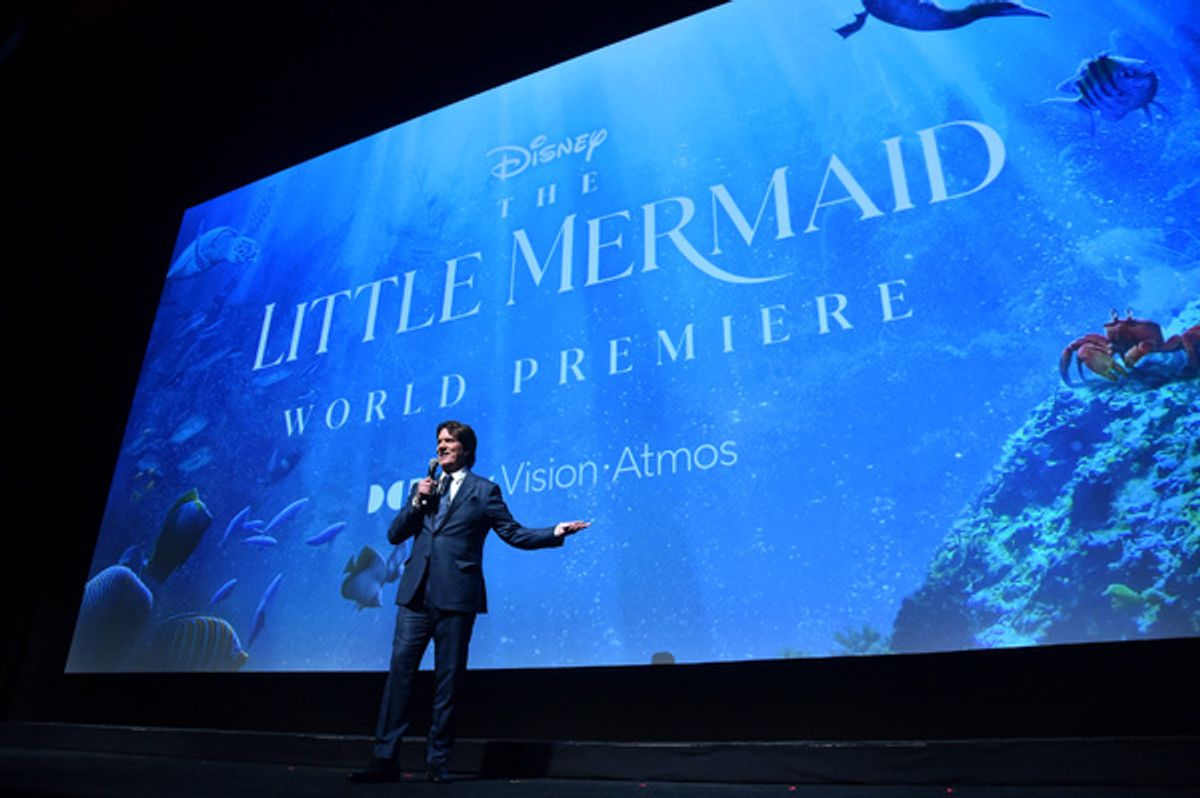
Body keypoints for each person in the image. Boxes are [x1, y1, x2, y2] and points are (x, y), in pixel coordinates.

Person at [349, 420, 590, 784]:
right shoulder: (425, 488)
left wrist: (555, 532)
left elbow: (514, 534)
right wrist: (416, 501)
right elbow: (395, 533)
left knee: (448, 682)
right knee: (399, 677)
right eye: (439, 441)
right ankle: (384, 760)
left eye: (449, 441)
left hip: (456, 597)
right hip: (415, 596)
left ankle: (437, 762)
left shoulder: (484, 491)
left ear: (466, 449)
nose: (441, 446)